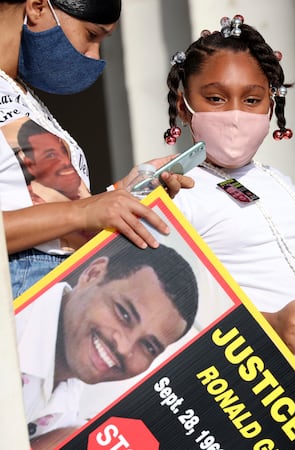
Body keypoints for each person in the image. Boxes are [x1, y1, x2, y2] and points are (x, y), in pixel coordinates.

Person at [0, 0, 193, 299]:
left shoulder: (22, 95)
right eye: (91, 35)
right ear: (37, 7)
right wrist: (83, 212)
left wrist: (124, 193)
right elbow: (76, 215)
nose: (95, 56)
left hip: (63, 286)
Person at [165, 15, 295, 357]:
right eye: (216, 99)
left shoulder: (281, 183)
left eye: (251, 100)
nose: (235, 115)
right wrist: (271, 326)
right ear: (184, 107)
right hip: (245, 374)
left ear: (271, 104)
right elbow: (168, 308)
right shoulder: (178, 192)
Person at [15, 236, 199, 447]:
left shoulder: (68, 413)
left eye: (149, 346)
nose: (124, 348)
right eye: (124, 314)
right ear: (93, 274)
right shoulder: (14, 304)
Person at [16, 119, 89, 202]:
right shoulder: (29, 201)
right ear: (30, 165)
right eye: (51, 155)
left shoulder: (81, 191)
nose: (67, 161)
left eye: (64, 151)